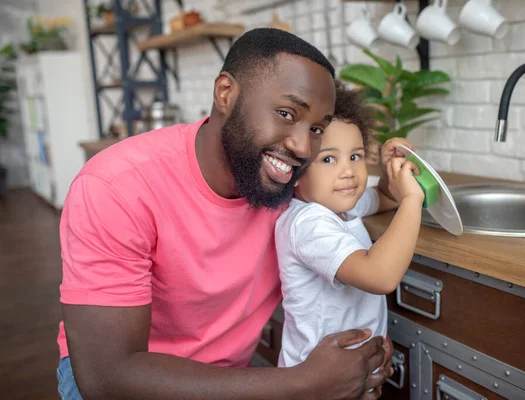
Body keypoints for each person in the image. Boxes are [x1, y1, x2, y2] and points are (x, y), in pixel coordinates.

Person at [56, 28, 394, 400]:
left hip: (226, 379)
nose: (301, 146)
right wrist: (308, 383)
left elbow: (369, 195)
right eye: (285, 113)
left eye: (316, 129)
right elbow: (106, 376)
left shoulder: (290, 182)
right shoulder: (116, 187)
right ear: (225, 94)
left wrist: (356, 362)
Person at [275, 81, 423, 371]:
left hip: (351, 372)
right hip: (315, 384)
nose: (347, 171)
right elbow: (380, 276)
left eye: (355, 156)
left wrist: (391, 169)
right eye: (328, 159)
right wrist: (413, 199)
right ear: (295, 171)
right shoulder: (307, 224)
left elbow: (383, 198)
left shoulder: (341, 204)